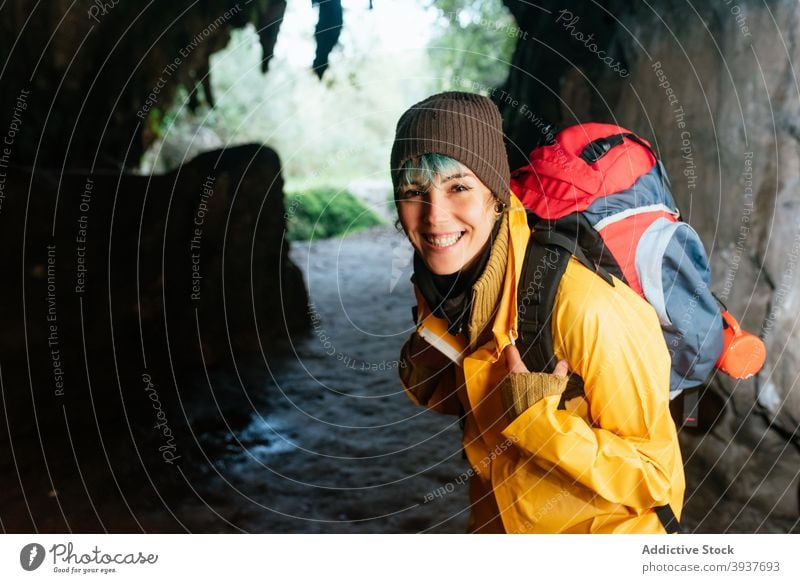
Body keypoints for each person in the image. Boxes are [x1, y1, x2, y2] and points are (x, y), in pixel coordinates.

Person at [391, 91, 685, 534]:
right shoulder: (451, 288)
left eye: (459, 187)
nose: (435, 216)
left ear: (496, 195)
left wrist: (542, 422)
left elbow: (657, 475)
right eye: (414, 191)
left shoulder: (585, 307)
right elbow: (461, 404)